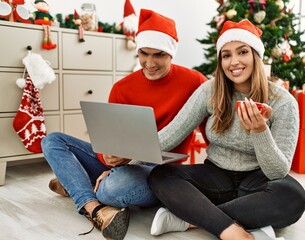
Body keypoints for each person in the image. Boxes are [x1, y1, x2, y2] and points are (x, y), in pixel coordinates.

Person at [41, 9, 207, 240]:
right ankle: (93, 207)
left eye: (158, 55)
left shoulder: (195, 82)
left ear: (171, 53)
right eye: (144, 54)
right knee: (52, 141)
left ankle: (78, 184)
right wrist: (107, 159)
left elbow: (210, 131)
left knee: (115, 187)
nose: (149, 63)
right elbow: (110, 142)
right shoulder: (122, 88)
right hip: (120, 166)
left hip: (160, 171)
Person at [148, 19, 305, 240]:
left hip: (258, 180)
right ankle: (233, 230)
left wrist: (260, 132)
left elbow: (277, 172)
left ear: (255, 56)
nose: (234, 62)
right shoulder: (210, 90)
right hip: (215, 175)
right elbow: (172, 133)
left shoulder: (283, 102)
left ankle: (190, 220)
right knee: (161, 175)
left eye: (242, 52)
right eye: (226, 55)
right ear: (220, 61)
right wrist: (127, 156)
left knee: (294, 196)